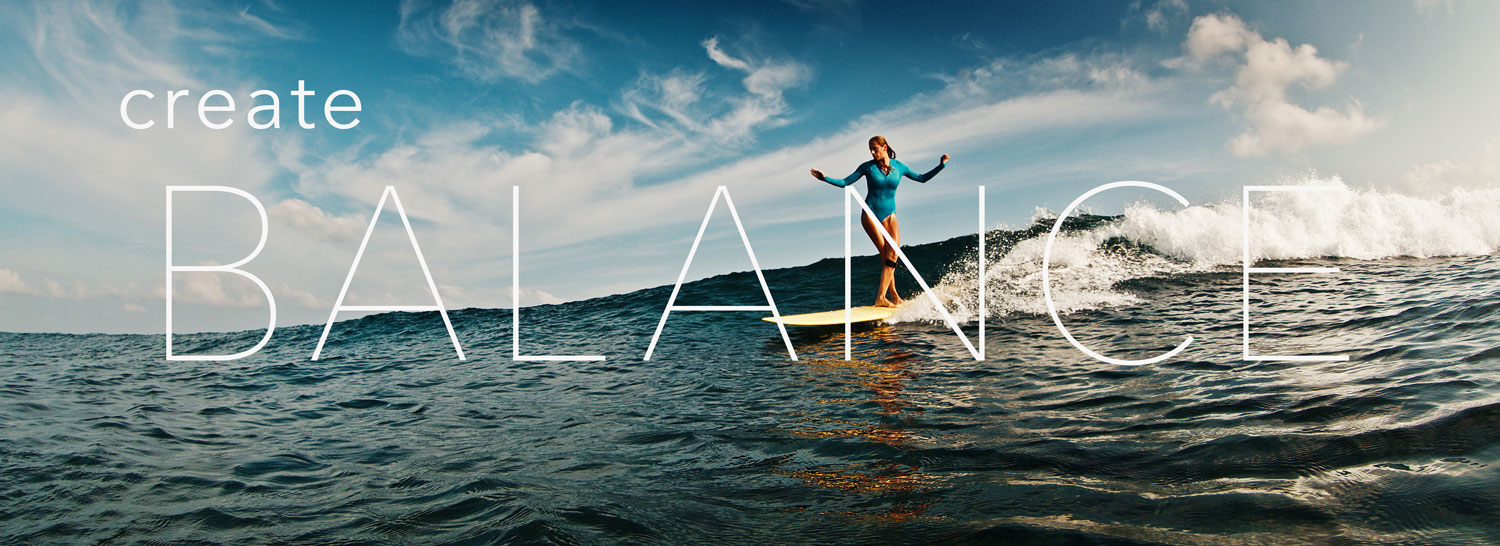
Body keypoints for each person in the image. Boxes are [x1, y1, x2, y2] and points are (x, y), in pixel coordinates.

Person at [810, 136, 949, 307]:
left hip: (890, 215)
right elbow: (846, 182)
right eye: (870, 149)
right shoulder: (867, 167)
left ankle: (894, 295)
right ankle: (881, 298)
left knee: (892, 257)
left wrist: (941, 166)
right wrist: (825, 178)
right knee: (885, 255)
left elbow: (922, 178)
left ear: (885, 147)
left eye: (875, 148)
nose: (872, 152)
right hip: (870, 214)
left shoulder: (899, 167)